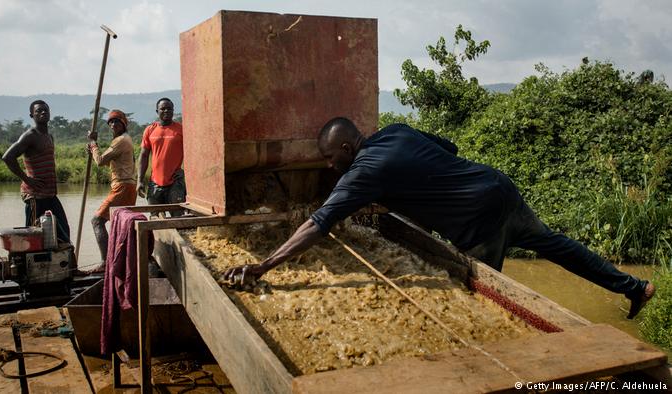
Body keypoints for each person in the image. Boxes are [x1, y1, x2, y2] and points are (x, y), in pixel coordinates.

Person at [224, 117, 656, 319]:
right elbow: (446, 149)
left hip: (479, 220)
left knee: (484, 298)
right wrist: (410, 192)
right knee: (558, 248)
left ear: (346, 150)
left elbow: (317, 224)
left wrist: (264, 265)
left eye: (330, 160)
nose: (331, 168)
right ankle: (635, 286)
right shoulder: (394, 130)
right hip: (499, 188)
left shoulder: (362, 172)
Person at [2, 100, 71, 243]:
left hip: (50, 194)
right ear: (31, 115)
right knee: (33, 235)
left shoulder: (49, 136)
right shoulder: (30, 135)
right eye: (39, 111)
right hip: (34, 196)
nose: (43, 112)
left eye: (45, 110)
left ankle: (64, 264)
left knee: (63, 231)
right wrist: (27, 179)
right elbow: (8, 157)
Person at [86, 109, 137, 272]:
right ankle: (121, 261)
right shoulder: (124, 140)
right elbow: (112, 162)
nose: (114, 124)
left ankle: (105, 262)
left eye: (117, 121)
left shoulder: (121, 140)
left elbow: (100, 161)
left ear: (124, 124)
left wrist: (93, 144)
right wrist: (95, 148)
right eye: (111, 122)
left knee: (97, 221)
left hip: (122, 187)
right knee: (121, 226)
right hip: (127, 186)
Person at [137, 97, 185, 216]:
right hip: (155, 183)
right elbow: (143, 156)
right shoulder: (150, 130)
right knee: (155, 219)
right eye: (163, 109)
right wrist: (140, 180)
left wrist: (186, 172)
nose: (166, 111)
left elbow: (192, 153)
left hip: (175, 182)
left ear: (173, 111)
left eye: (169, 109)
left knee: (178, 219)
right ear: (157, 111)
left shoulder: (181, 129)